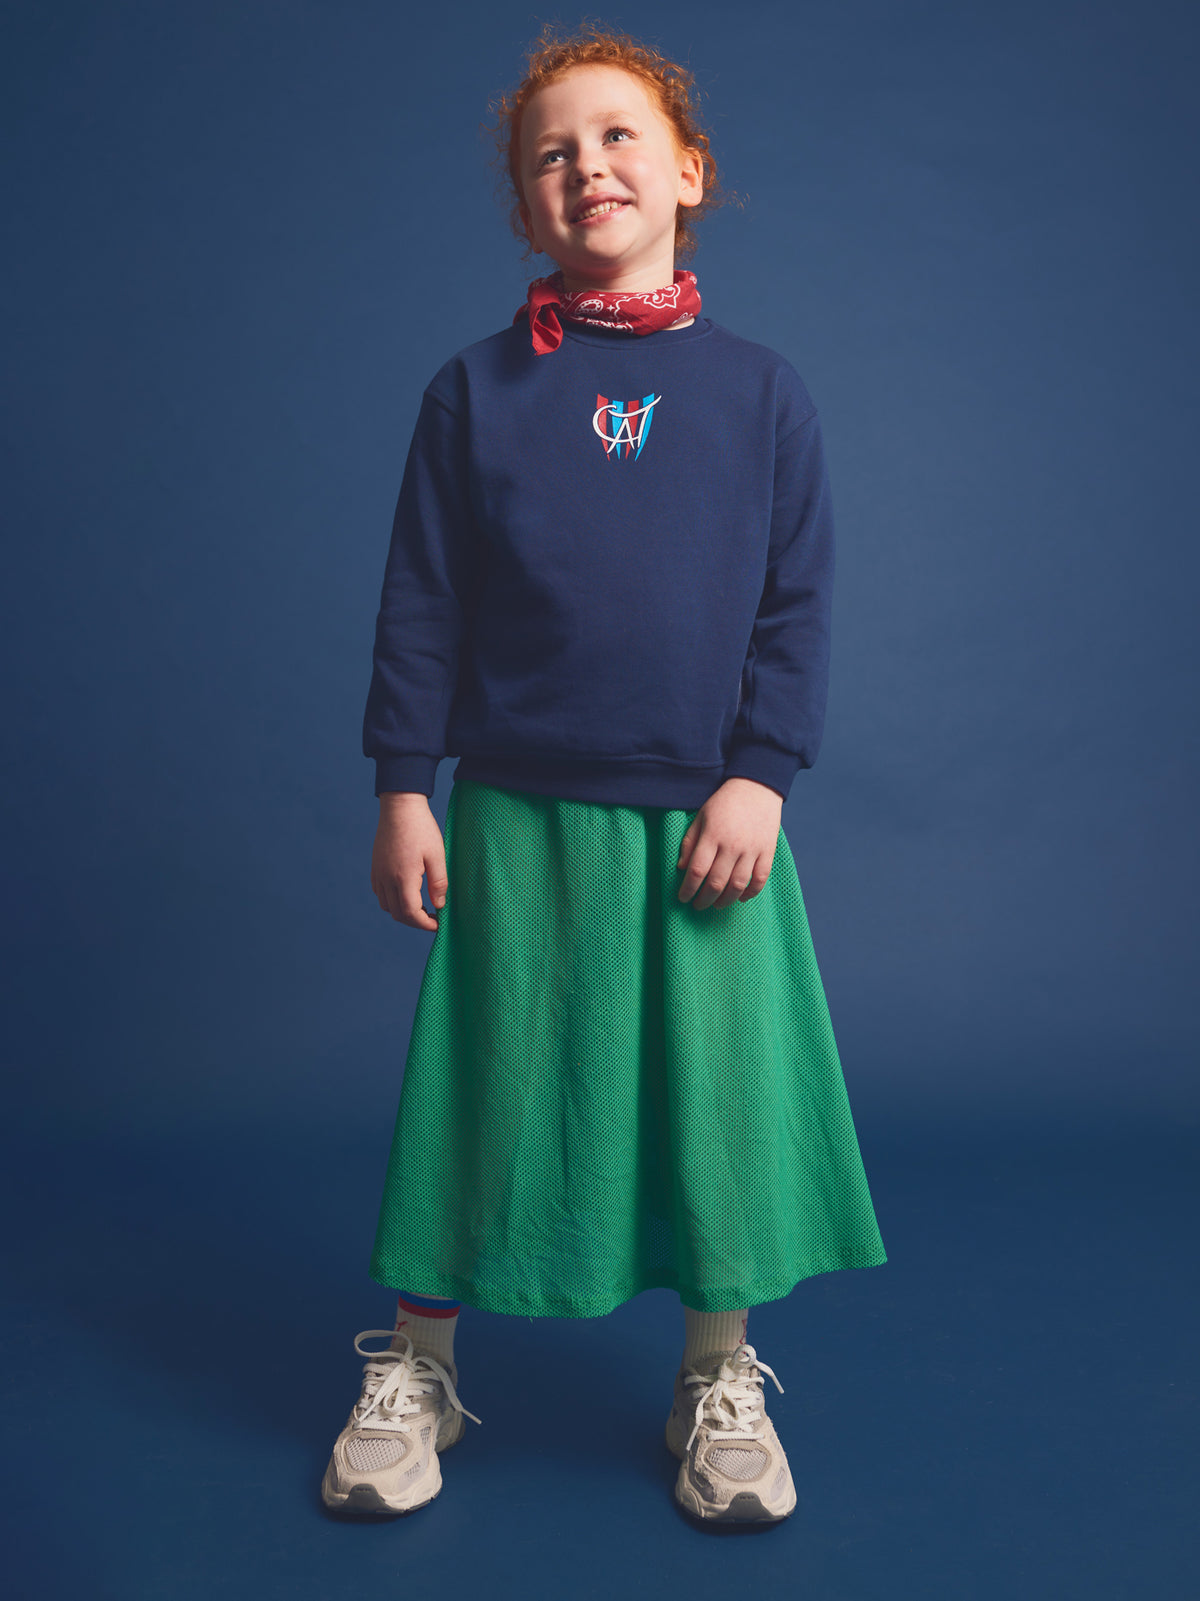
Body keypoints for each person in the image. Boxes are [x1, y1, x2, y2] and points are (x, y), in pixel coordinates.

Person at [321, 21, 887, 1525]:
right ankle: (419, 1367)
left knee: (715, 1104)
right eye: (552, 153)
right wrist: (402, 781)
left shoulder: (764, 395)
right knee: (481, 1093)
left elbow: (799, 598)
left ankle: (717, 1375)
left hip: (708, 820)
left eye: (621, 136)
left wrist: (763, 772)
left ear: (687, 171)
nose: (590, 166)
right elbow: (423, 596)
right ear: (526, 208)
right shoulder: (475, 391)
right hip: (514, 807)